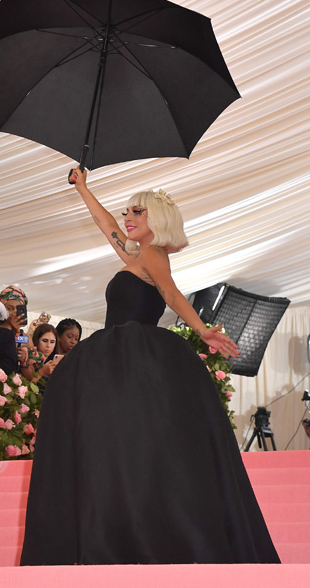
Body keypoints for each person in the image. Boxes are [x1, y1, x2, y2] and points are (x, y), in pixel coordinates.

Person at [20, 169, 279, 565]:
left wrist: (202, 330)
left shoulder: (154, 255)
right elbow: (105, 224)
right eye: (128, 212)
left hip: (132, 353)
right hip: (118, 354)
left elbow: (171, 294)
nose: (128, 218)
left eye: (137, 212)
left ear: (156, 218)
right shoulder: (137, 255)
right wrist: (84, 188)